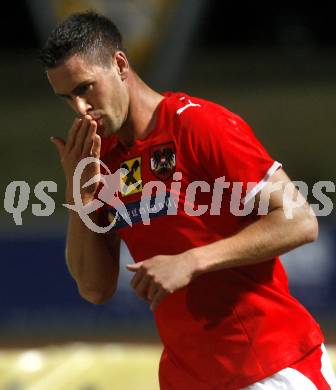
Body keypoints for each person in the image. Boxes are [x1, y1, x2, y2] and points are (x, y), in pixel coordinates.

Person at [39, 11, 336, 390]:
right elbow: (95, 288)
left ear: (119, 64)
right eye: (67, 98)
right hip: (188, 378)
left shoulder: (197, 126)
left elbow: (300, 220)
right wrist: (78, 195)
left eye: (85, 89)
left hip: (269, 366)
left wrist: (192, 261)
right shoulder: (103, 161)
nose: (80, 109)